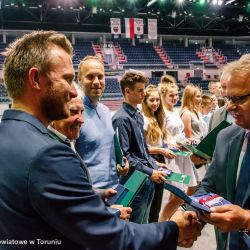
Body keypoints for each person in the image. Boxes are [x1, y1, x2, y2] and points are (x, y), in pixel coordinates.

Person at [0, 30, 201, 250]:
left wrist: (96, 199)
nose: (71, 91)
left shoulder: (8, 135)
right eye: (67, 79)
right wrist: (173, 229)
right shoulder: (48, 153)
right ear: (35, 79)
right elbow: (110, 237)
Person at [193, 56, 250, 250]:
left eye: (240, 98)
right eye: (228, 98)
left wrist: (247, 220)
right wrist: (194, 215)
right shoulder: (225, 136)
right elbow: (207, 187)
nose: (231, 106)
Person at [48, 97, 132, 220]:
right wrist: (111, 212)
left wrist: (100, 193)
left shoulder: (66, 141)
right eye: (73, 112)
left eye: (81, 112)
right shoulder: (50, 149)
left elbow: (75, 189)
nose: (82, 120)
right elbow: (64, 204)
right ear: (52, 113)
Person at [112, 70, 170, 224]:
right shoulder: (120, 118)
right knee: (135, 223)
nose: (143, 93)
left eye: (143, 89)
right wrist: (151, 171)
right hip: (134, 179)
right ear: (127, 91)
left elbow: (142, 149)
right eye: (140, 90)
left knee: (145, 218)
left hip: (145, 176)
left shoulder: (137, 114)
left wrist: (153, 162)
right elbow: (126, 157)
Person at [75, 55, 128, 190]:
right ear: (79, 79)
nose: (97, 81)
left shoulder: (105, 110)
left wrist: (120, 165)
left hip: (114, 188)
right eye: (90, 77)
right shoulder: (74, 114)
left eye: (100, 76)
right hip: (91, 194)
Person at [158, 77, 198, 221]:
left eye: (176, 95)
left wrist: (188, 140)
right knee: (179, 197)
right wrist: (172, 143)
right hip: (171, 159)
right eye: (171, 95)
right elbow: (162, 137)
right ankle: (161, 224)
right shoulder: (161, 112)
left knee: (176, 196)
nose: (175, 98)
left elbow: (179, 134)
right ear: (163, 96)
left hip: (182, 156)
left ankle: (166, 222)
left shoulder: (175, 111)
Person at [141, 84, 176, 222]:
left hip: (160, 158)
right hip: (150, 159)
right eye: (152, 100)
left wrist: (169, 146)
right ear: (145, 101)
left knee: (157, 201)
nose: (155, 103)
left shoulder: (157, 117)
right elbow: (142, 148)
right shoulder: (143, 119)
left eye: (157, 100)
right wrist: (161, 150)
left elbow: (160, 142)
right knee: (150, 203)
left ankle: (154, 229)